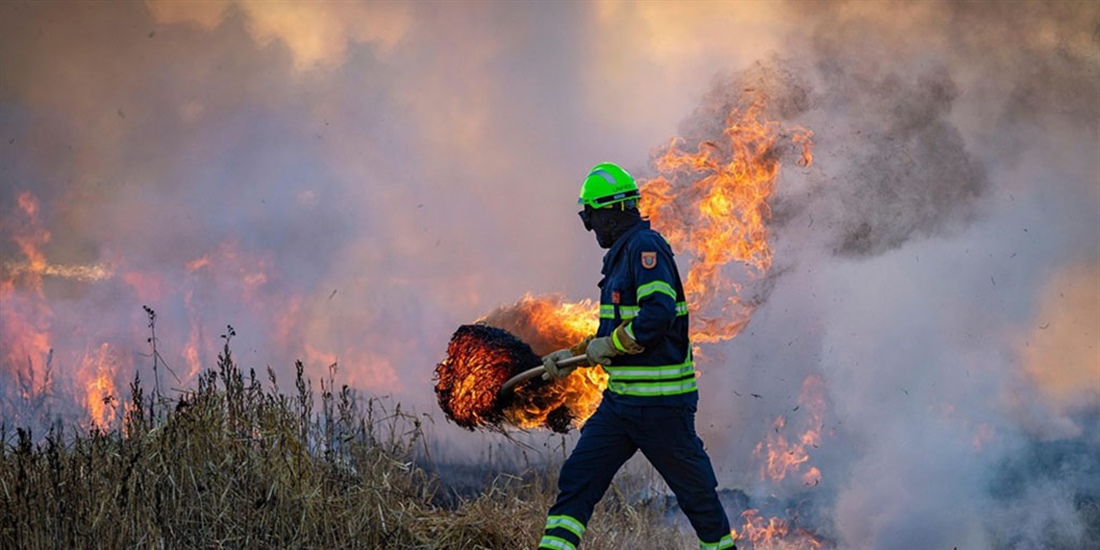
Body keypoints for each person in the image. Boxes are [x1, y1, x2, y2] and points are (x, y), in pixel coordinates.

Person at [537, 162, 736, 550]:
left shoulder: (645, 248)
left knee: (697, 498)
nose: (590, 226)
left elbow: (657, 313)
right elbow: (612, 334)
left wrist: (610, 346)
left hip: (662, 408)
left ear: (612, 211)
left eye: (590, 216)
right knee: (578, 479)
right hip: (621, 406)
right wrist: (573, 355)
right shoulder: (620, 257)